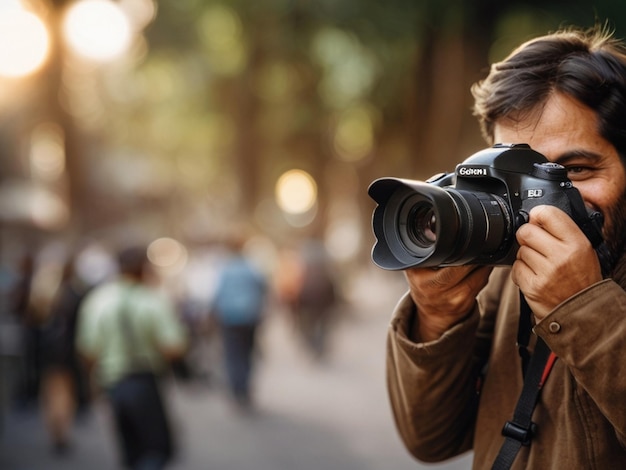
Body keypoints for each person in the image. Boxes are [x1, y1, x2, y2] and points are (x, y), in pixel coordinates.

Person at [385, 25, 626, 468]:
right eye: (521, 178)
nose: (542, 210)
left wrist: (583, 307)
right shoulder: (503, 277)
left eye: (571, 171)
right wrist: (436, 320)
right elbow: (432, 439)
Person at [76, 245, 187, 470]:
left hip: (113, 382)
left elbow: (88, 349)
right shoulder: (152, 299)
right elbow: (174, 346)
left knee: (129, 447)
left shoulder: (98, 300)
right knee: (157, 448)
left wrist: (94, 382)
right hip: (145, 379)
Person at [40, 256, 91, 455]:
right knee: (63, 395)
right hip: (67, 351)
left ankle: (56, 433)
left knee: (52, 393)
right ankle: (61, 434)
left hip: (49, 350)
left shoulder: (49, 294)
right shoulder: (75, 295)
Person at [212, 235, 267, 411]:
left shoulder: (225, 269)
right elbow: (263, 287)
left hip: (229, 318)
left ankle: (237, 390)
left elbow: (218, 294)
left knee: (233, 355)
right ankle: (244, 388)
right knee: (247, 354)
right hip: (249, 317)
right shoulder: (251, 267)